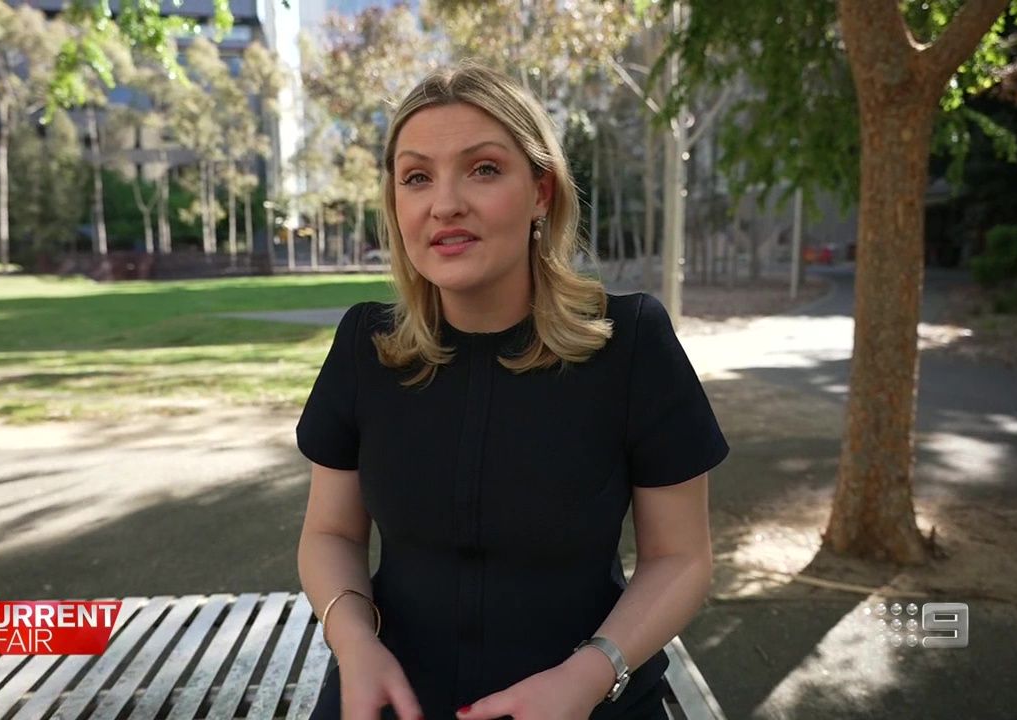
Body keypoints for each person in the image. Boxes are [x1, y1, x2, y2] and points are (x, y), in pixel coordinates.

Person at [296, 62, 729, 720]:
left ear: (541, 192)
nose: (444, 203)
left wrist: (588, 676)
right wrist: (355, 645)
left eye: (483, 169)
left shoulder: (633, 344)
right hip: (386, 696)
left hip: (586, 698)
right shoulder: (365, 345)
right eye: (417, 177)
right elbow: (330, 534)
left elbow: (680, 557)